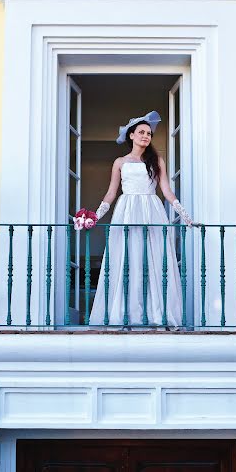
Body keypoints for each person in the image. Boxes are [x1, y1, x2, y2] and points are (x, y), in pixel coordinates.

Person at [89, 110, 194, 327]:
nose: (146, 136)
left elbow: (166, 191)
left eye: (149, 133)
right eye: (141, 132)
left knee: (154, 258)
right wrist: (95, 217)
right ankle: (125, 314)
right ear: (131, 135)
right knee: (128, 258)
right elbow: (111, 193)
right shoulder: (119, 162)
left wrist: (185, 216)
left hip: (151, 210)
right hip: (127, 210)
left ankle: (156, 314)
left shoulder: (157, 161)